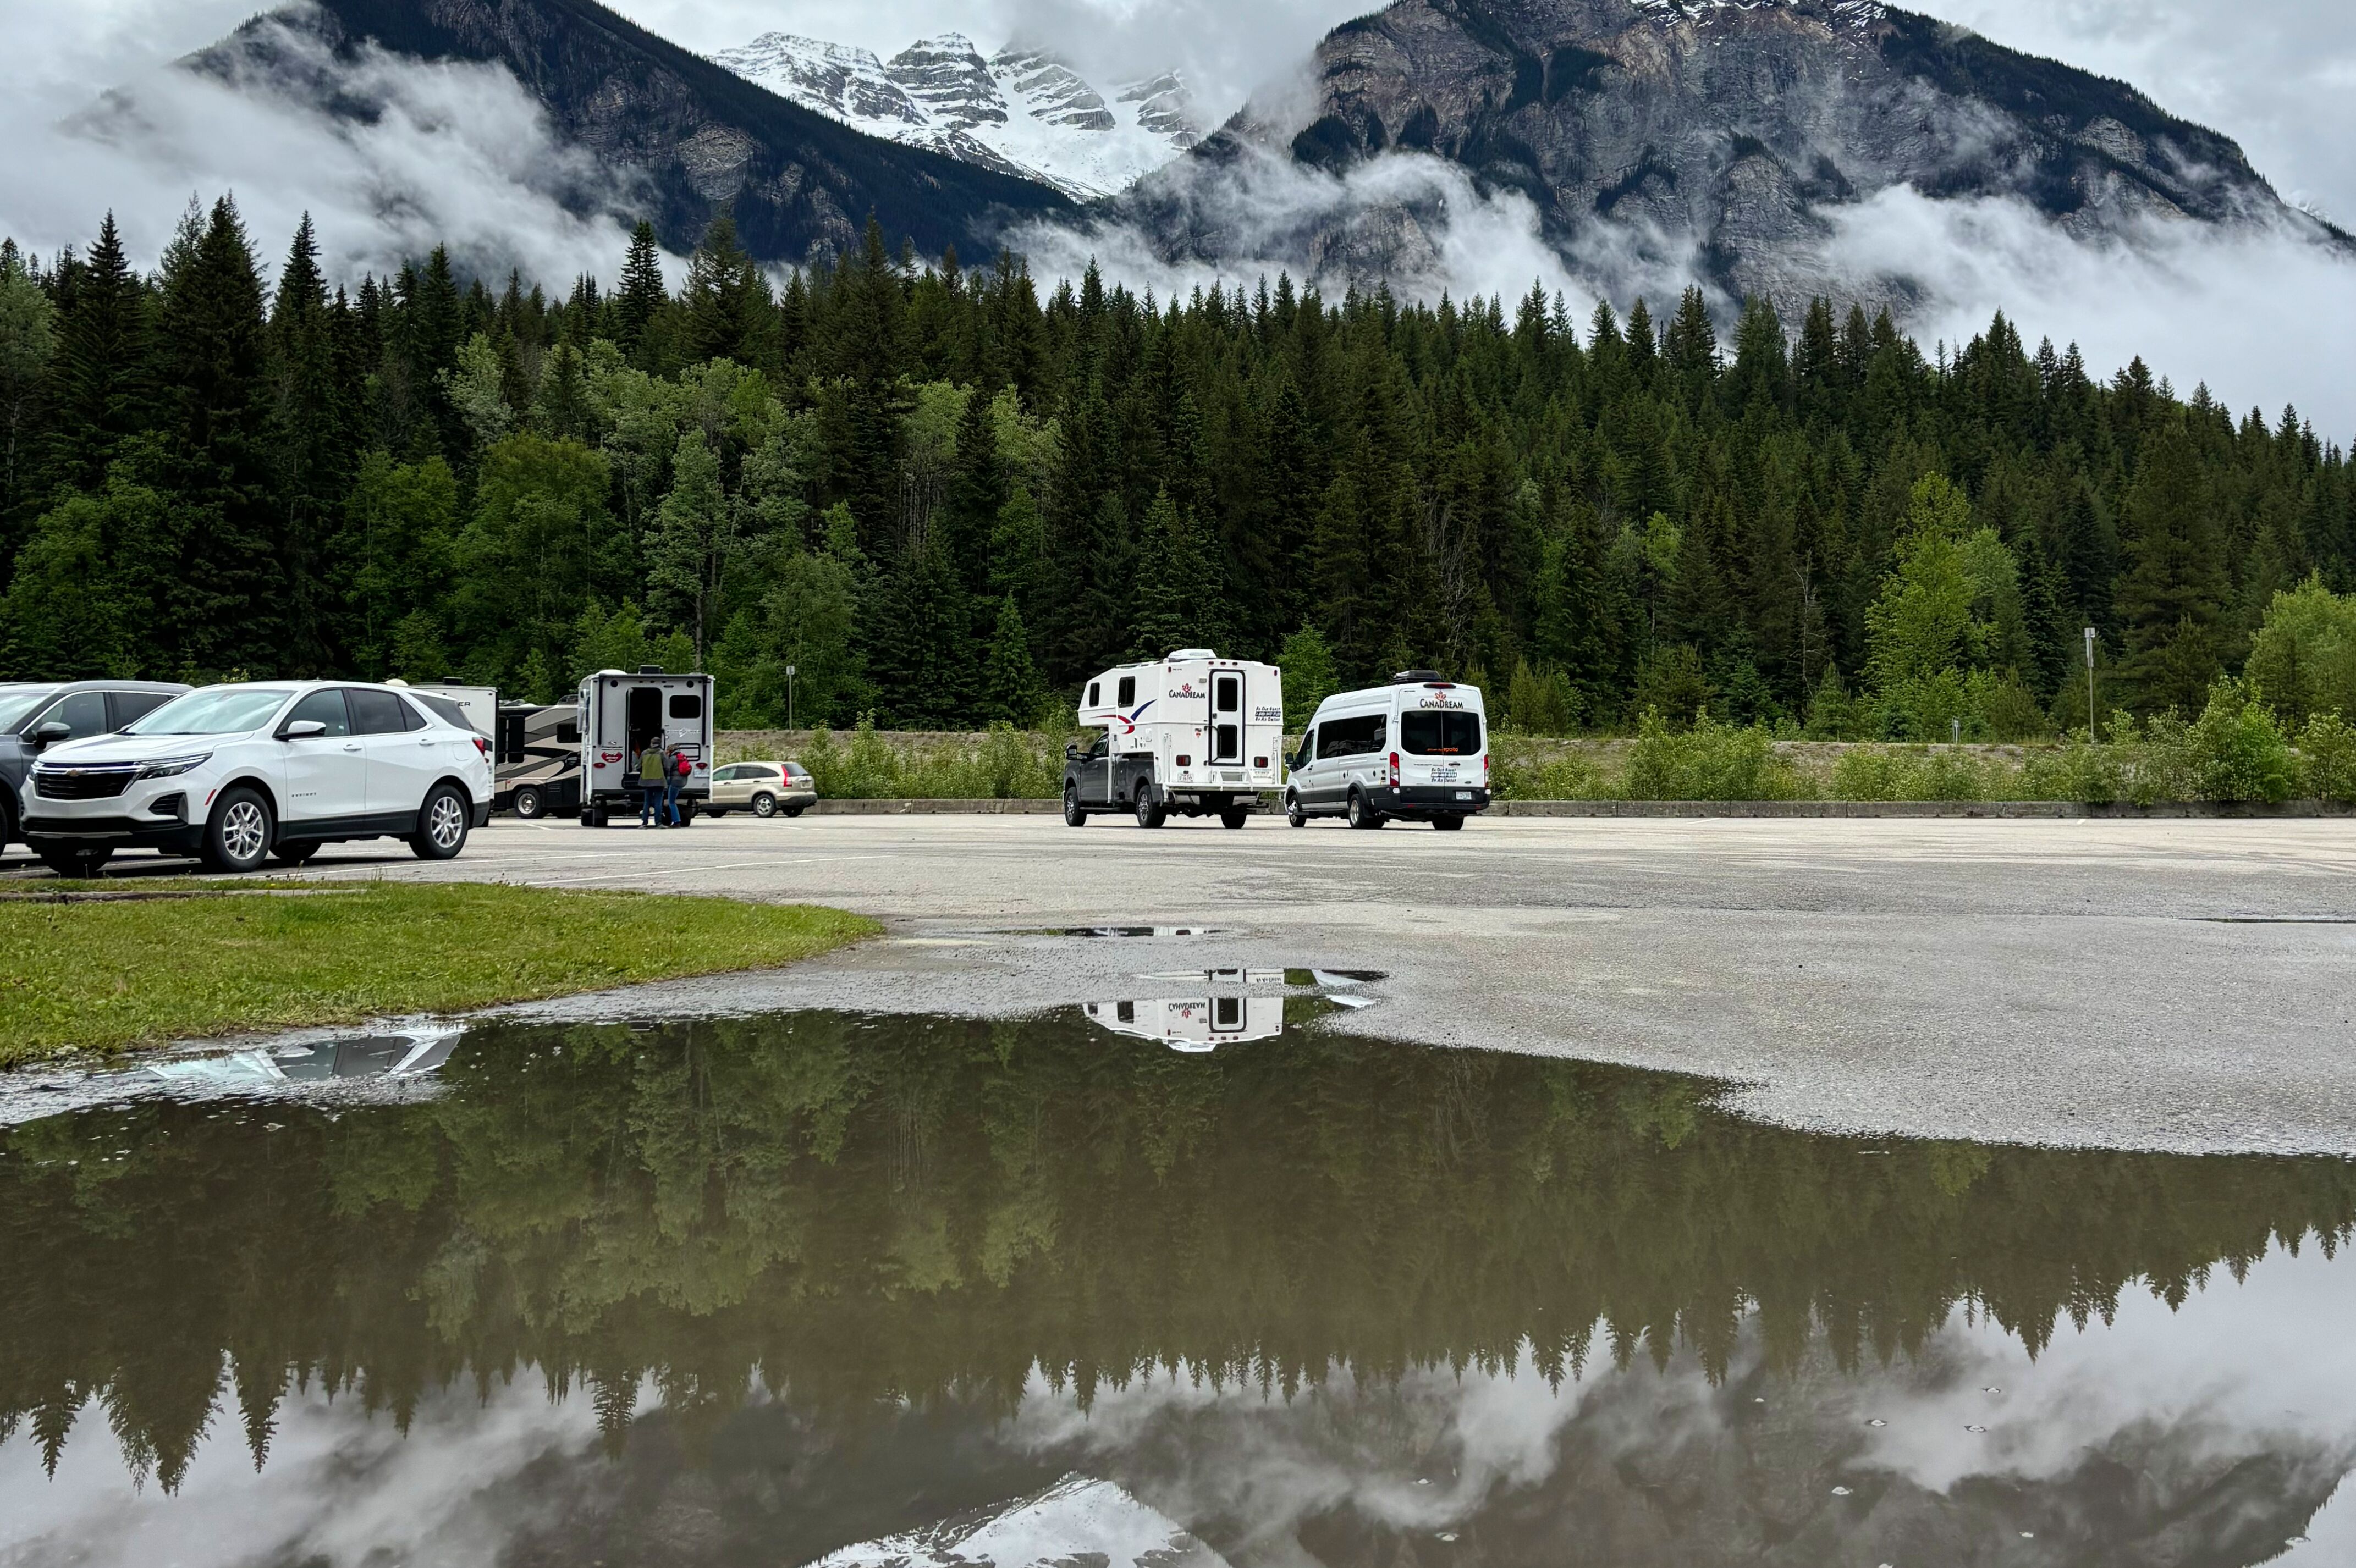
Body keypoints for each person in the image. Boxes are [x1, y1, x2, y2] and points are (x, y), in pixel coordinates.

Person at [638, 741, 665, 827]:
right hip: (659, 780)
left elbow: (638, 766)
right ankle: (658, 823)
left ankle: (644, 823)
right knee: (658, 803)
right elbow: (667, 766)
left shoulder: (644, 753)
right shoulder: (662, 753)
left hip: (646, 780)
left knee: (647, 803)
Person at [665, 744, 690, 826]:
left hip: (675, 782)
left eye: (668, 751)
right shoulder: (682, 757)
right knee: (673, 801)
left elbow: (667, 768)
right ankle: (676, 821)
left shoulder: (672, 758)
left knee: (671, 802)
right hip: (683, 781)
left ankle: (676, 821)